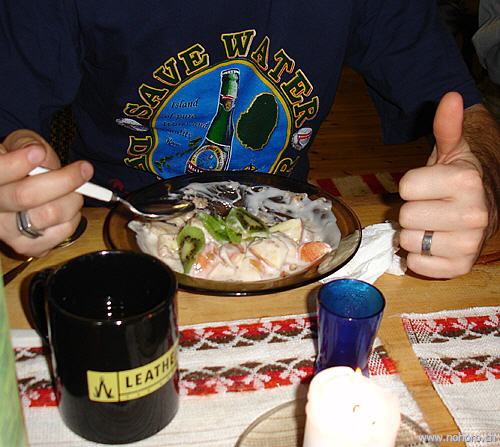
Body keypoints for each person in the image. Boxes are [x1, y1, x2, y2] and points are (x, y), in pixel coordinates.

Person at [0, 0, 499, 279]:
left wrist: (478, 175)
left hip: (290, 240)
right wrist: (16, 186)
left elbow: (469, 121)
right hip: (109, 233)